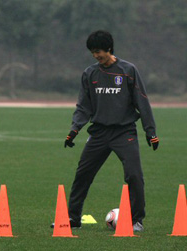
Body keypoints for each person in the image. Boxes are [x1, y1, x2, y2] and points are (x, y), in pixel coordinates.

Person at [51, 30, 159, 232]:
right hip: (99, 133)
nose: (96, 56)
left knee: (134, 175)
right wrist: (74, 129)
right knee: (83, 174)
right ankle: (73, 218)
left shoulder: (128, 70)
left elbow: (142, 102)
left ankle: (136, 221)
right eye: (92, 52)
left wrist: (150, 131)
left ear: (109, 48)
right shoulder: (90, 73)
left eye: (98, 51)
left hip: (124, 132)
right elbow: (84, 106)